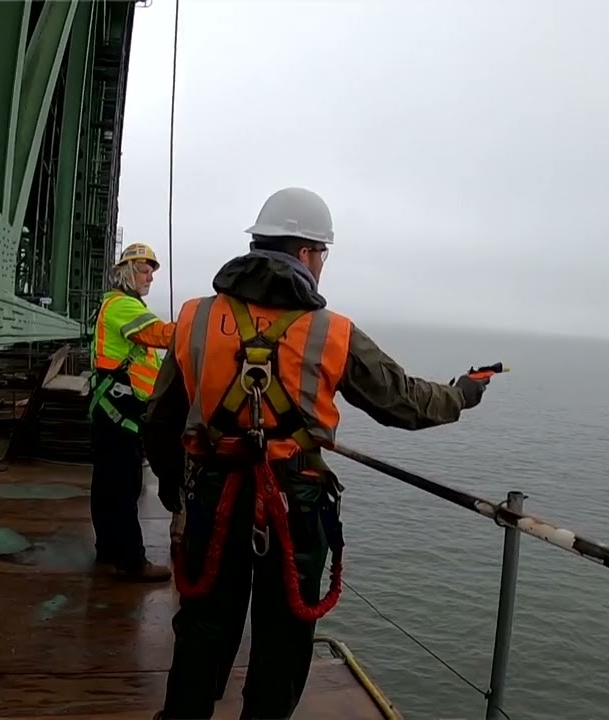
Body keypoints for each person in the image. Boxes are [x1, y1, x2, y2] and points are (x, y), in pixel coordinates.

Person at [143, 187, 497, 719]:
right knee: (284, 638)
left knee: (203, 627)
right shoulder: (332, 332)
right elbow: (404, 403)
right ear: (307, 253)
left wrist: (176, 489)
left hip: (212, 497)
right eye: (323, 254)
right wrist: (463, 394)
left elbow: (159, 419)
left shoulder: (193, 318)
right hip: (295, 504)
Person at [89, 242, 176, 583]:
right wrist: (201, 326)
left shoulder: (116, 306)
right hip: (119, 414)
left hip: (113, 412)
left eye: (152, 271)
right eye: (144, 269)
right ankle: (131, 562)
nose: (150, 277)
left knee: (107, 487)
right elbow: (162, 335)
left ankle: (108, 551)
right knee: (125, 488)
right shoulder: (124, 307)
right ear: (126, 272)